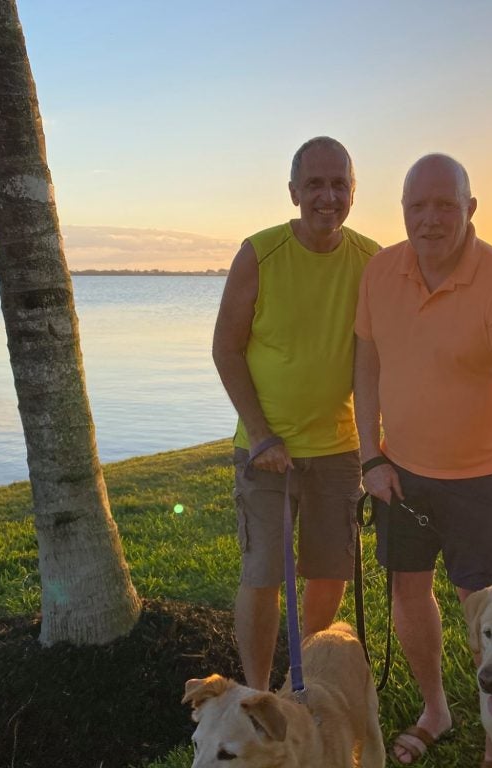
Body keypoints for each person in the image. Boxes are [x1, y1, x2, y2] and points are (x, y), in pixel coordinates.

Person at [353, 153, 492, 765]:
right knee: (408, 596)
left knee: (486, 613)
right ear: (403, 211)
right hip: (401, 476)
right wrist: (370, 459)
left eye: (445, 205)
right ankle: (436, 709)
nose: (431, 219)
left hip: (481, 481)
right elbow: (366, 368)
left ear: (469, 209)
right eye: (418, 206)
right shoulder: (381, 272)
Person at [213, 137, 380, 692]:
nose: (327, 197)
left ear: (353, 193)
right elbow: (226, 349)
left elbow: (380, 358)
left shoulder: (371, 260)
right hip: (265, 452)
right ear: (293, 192)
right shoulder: (259, 254)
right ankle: (259, 694)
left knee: (329, 575)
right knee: (262, 577)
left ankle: (304, 685)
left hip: (338, 448)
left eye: (339, 185)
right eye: (315, 184)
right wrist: (261, 436)